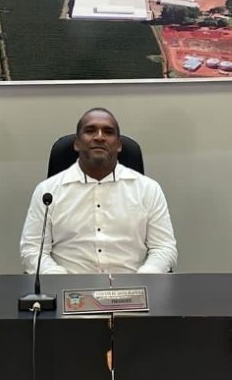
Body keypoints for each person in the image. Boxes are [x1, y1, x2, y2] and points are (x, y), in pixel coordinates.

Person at [20, 108, 177, 274]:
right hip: (68, 286)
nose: (99, 137)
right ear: (76, 143)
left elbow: (163, 247)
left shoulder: (148, 189)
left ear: (119, 145)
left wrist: (145, 278)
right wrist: (57, 279)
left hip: (132, 285)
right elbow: (33, 249)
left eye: (108, 132)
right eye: (90, 131)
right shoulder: (48, 192)